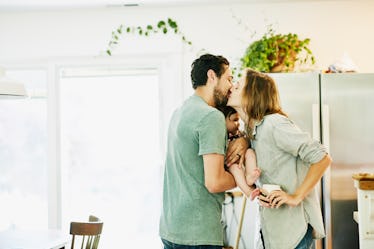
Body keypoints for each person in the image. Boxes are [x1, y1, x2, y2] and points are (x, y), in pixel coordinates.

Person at [227, 68, 332, 249]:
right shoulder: (253, 131)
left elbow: (322, 157)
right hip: (276, 231)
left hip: (293, 231)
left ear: (252, 94)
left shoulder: (273, 124)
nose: (233, 86)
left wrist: (295, 197)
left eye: (239, 85)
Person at [159, 54, 250, 249]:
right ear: (211, 76)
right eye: (229, 78)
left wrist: (243, 140)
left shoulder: (180, 112)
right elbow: (215, 182)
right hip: (198, 234)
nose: (231, 86)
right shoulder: (211, 117)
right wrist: (245, 178)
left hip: (171, 229)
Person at [218, 105, 261, 199]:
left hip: (243, 163)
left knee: (250, 152)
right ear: (222, 121)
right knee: (235, 169)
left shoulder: (239, 134)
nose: (238, 123)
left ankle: (250, 176)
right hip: (232, 165)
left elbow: (248, 138)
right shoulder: (221, 138)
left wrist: (245, 140)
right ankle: (249, 191)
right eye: (235, 120)